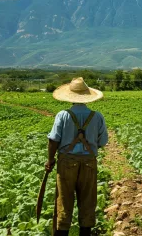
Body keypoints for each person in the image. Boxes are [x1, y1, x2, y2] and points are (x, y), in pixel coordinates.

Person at [45, 77, 108, 236]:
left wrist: (50, 160)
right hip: (89, 162)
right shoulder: (97, 116)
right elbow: (103, 141)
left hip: (66, 162)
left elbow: (53, 140)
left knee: (64, 201)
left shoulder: (63, 115)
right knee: (87, 201)